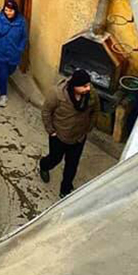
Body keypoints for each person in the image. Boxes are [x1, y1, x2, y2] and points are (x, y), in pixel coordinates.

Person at [38, 69, 100, 198]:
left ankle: (65, 189)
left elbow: (95, 110)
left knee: (72, 165)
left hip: (78, 137)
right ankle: (44, 165)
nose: (88, 88)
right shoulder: (57, 94)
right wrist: (51, 131)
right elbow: (46, 112)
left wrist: (89, 128)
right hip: (59, 136)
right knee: (55, 159)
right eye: (84, 86)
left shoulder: (92, 94)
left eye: (88, 85)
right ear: (74, 86)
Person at [0, 0, 28, 107]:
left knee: (11, 70)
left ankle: (1, 78)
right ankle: (3, 95)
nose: (8, 12)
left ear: (15, 11)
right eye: (6, 10)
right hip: (0, 51)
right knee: (3, 72)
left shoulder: (21, 22)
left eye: (10, 10)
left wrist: (20, 49)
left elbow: (24, 37)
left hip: (13, 53)